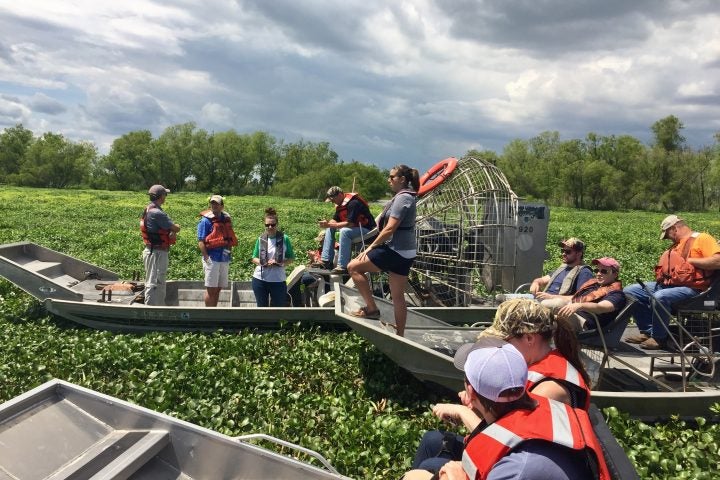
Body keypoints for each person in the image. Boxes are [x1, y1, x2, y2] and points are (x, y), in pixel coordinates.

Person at [410, 299, 592, 474]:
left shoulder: (548, 390)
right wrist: (482, 401)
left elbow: (508, 439)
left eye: (505, 341)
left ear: (529, 338)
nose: (499, 347)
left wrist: (463, 412)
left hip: (518, 461)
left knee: (430, 465)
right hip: (514, 449)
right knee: (431, 440)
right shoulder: (540, 361)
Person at [403, 342, 610, 480]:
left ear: (470, 390)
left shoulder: (520, 469)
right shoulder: (538, 404)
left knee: (416, 475)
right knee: (432, 448)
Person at [624, 215, 720, 349]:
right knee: (631, 291)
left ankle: (659, 338)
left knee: (660, 297)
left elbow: (718, 261)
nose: (667, 238)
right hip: (669, 286)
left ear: (674, 228)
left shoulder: (702, 238)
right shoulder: (676, 245)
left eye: (667, 234)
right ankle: (648, 332)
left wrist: (692, 261)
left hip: (694, 290)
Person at [347, 165, 419, 336]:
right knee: (398, 297)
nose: (389, 180)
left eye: (392, 177)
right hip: (406, 252)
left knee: (353, 267)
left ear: (402, 179)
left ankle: (371, 308)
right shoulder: (407, 196)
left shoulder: (403, 198)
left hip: (395, 250)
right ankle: (400, 335)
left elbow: (389, 229)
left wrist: (372, 246)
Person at [316, 186, 377, 274]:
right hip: (354, 230)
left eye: (333, 199)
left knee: (344, 231)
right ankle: (326, 261)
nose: (332, 201)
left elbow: (350, 223)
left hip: (367, 231)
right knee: (330, 228)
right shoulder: (340, 205)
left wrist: (331, 224)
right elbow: (335, 220)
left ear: (340, 195)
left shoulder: (353, 203)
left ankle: (343, 266)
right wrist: (328, 223)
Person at [556, 257, 626, 331]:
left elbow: (600, 307)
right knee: (549, 304)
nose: (598, 274)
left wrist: (580, 305)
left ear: (615, 274)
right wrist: (550, 296)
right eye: (596, 270)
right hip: (572, 313)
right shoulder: (594, 285)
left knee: (549, 314)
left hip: (583, 322)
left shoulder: (617, 294)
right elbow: (574, 297)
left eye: (604, 271)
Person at [140, 184, 180, 306]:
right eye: (165, 194)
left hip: (153, 251)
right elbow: (175, 228)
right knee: (153, 282)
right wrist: (177, 228)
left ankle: (158, 307)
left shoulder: (149, 209)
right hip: (156, 253)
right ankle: (150, 311)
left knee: (158, 281)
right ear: (161, 196)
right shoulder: (157, 213)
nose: (165, 197)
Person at [197, 195, 238, 307]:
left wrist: (228, 253)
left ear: (222, 206)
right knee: (211, 289)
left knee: (218, 288)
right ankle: (209, 316)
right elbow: (200, 241)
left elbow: (229, 238)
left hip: (224, 258)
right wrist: (206, 257)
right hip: (212, 259)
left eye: (217, 203)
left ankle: (214, 311)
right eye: (212, 203)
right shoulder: (205, 221)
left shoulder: (226, 220)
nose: (214, 205)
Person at [530, 238, 594, 309]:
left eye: (568, 252)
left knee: (527, 307)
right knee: (516, 298)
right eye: (563, 250)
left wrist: (551, 297)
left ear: (578, 254)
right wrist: (536, 282)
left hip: (556, 305)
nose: (563, 254)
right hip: (543, 300)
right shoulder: (563, 268)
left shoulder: (584, 272)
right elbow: (542, 280)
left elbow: (583, 298)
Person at [251, 207, 295, 307]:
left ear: (277, 224)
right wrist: (263, 262)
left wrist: (280, 263)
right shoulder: (260, 238)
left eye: (273, 225)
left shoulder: (284, 238)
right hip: (260, 280)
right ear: (264, 225)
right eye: (267, 225)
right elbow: (254, 257)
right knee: (262, 308)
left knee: (278, 308)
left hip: (278, 280)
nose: (270, 227)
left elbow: (291, 257)